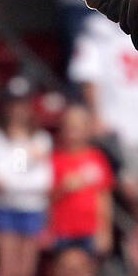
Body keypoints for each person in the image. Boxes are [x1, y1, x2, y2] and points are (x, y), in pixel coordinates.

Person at [69, 10, 138, 213]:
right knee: (130, 193)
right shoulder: (98, 28)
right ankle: (130, 242)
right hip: (117, 126)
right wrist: (96, 116)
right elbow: (88, 74)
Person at [0, 92, 52, 276]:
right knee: (7, 269)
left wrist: (19, 153)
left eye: (22, 105)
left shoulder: (42, 138)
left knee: (26, 272)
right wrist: (25, 152)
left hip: (33, 208)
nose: (17, 111)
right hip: (6, 207)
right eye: (13, 105)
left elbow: (44, 181)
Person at [49, 105, 114, 255]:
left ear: (87, 129)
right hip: (62, 230)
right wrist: (63, 188)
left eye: (77, 127)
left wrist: (105, 230)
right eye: (70, 127)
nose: (73, 132)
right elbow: (47, 198)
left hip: (90, 230)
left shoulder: (97, 158)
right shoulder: (55, 159)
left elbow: (104, 198)